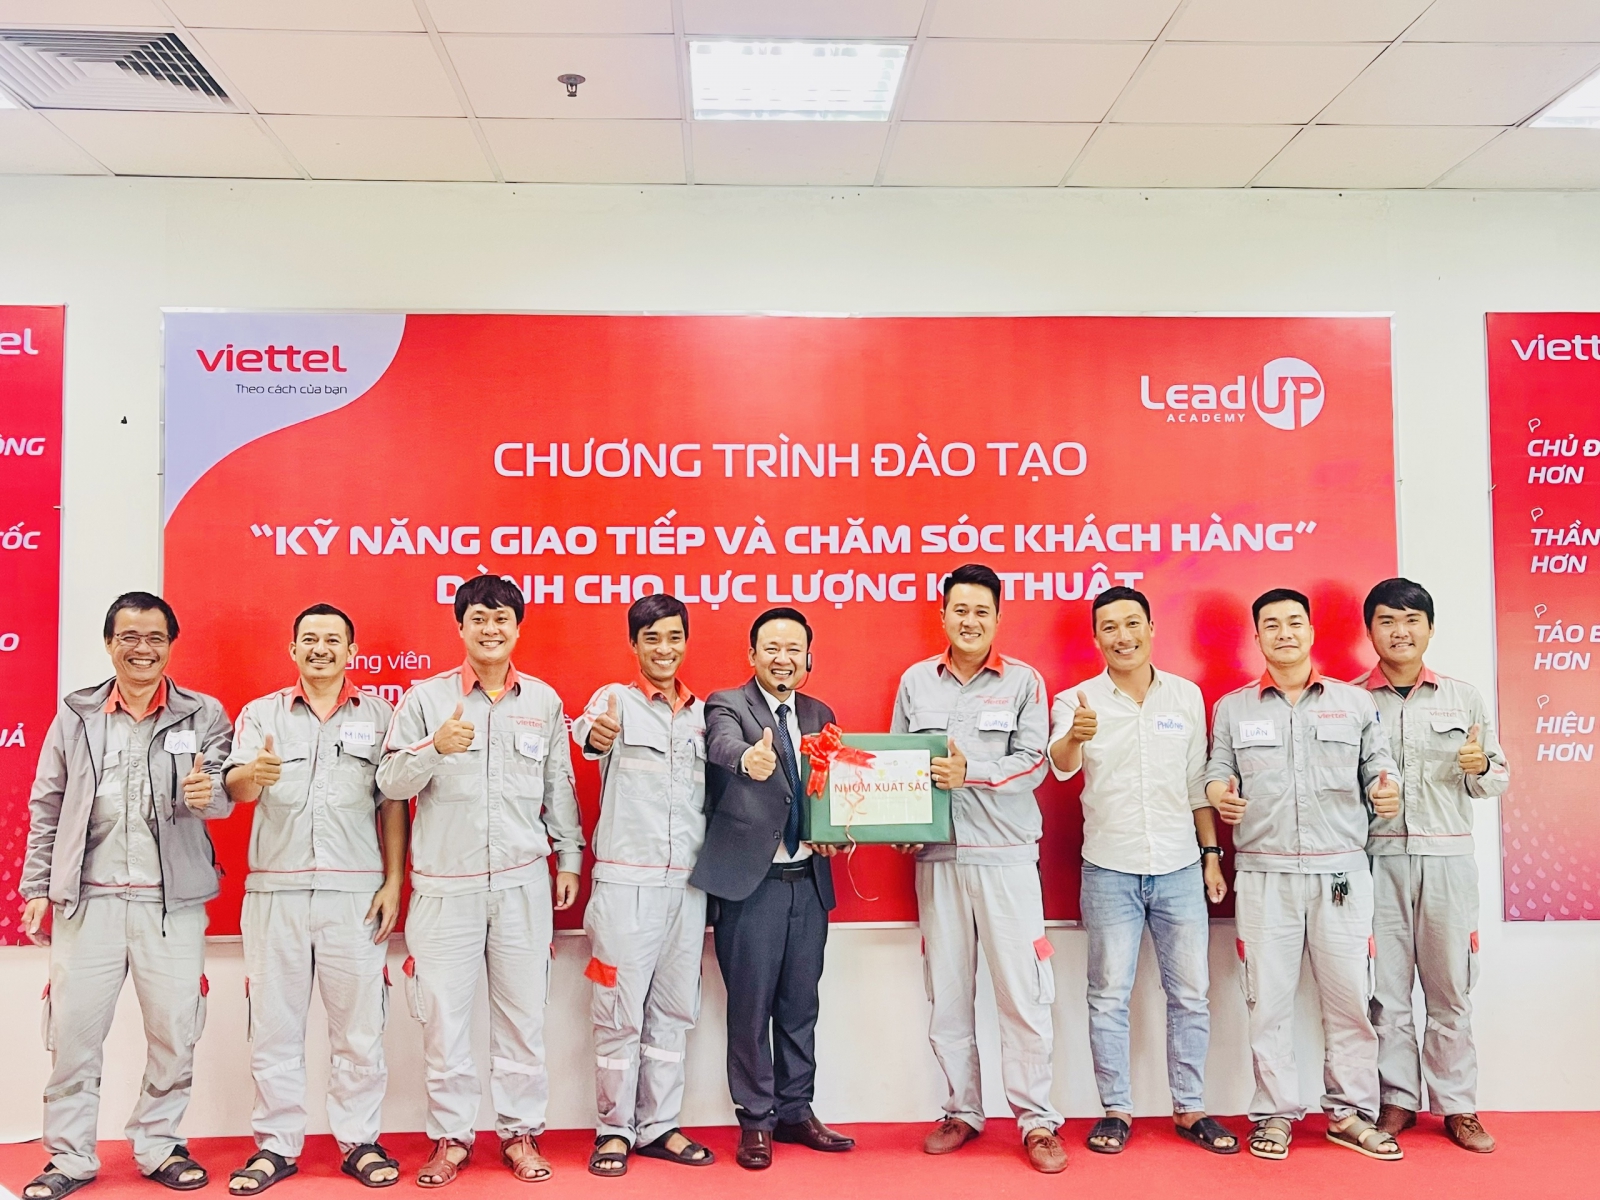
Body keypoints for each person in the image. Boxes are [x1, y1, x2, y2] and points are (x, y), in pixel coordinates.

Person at [19, 592, 233, 1199]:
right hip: (88, 903)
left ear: (171, 644)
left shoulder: (203, 713)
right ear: (110, 643)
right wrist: (38, 886)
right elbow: (47, 803)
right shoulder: (77, 714)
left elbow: (225, 791)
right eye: (130, 637)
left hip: (172, 905)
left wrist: (209, 795)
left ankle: (159, 1144)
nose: (143, 649)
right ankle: (69, 1155)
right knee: (73, 1035)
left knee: (174, 1032)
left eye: (155, 638)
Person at [376, 575, 583, 1187]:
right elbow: (389, 784)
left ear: (517, 628)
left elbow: (559, 786)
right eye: (478, 619)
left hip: (522, 884)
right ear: (460, 627)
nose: (490, 630)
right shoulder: (425, 700)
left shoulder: (543, 701)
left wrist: (570, 859)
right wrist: (433, 748)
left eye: (501, 619)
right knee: (444, 1020)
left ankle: (520, 1134)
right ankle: (451, 1138)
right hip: (445, 888)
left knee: (523, 1017)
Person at [1205, 588, 1402, 1163]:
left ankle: (1351, 1113)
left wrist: (1387, 790)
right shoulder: (1234, 708)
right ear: (1258, 637)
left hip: (1340, 875)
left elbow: (1379, 764)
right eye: (1271, 624)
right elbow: (1218, 768)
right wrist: (1219, 794)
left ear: (1312, 632)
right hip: (1264, 876)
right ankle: (1274, 1113)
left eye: (1294, 622)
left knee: (1349, 1000)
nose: (1284, 633)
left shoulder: (1354, 703)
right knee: (1266, 1002)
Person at [221, 604, 407, 1193]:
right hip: (275, 891)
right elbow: (234, 788)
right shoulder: (262, 713)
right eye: (309, 639)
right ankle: (275, 1145)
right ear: (293, 649)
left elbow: (393, 803)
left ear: (352, 651)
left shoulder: (380, 716)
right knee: (274, 1026)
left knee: (359, 1028)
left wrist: (394, 881)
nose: (320, 648)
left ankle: (359, 1141)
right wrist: (254, 773)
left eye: (332, 639)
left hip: (356, 894)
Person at [1047, 587, 1236, 1156]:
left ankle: (1190, 1107)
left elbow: (1196, 783)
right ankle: (1116, 1110)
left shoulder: (1185, 696)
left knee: (1192, 994)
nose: (1122, 636)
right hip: (1109, 867)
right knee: (1108, 995)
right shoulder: (1076, 701)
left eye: (1133, 623)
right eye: (1109, 627)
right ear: (1096, 637)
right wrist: (1075, 737)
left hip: (1180, 865)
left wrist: (1211, 856)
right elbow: (1060, 766)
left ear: (1152, 628)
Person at [891, 564, 1066, 1175]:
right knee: (947, 993)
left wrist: (973, 773)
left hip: (1005, 857)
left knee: (1023, 994)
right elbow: (897, 764)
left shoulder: (1023, 681)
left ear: (997, 618)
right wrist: (900, 824)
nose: (970, 621)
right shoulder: (916, 681)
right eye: (959, 610)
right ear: (943, 615)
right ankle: (961, 1111)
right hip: (938, 859)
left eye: (981, 612)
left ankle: (1037, 1119)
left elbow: (1036, 762)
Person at [692, 607, 855, 1171]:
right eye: (772, 648)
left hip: (809, 884)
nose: (783, 658)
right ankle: (756, 1120)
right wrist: (748, 758)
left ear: (808, 657)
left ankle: (795, 1110)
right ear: (753, 655)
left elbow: (830, 788)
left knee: (799, 1006)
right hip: (751, 886)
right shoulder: (727, 704)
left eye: (793, 649)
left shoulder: (820, 713)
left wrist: (835, 833)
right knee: (750, 1008)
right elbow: (721, 745)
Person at [1358, 578, 1507, 1154]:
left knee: (1451, 988)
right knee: (1386, 991)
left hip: (1447, 861)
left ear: (1429, 629)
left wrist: (1478, 765)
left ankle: (1457, 1105)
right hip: (1378, 862)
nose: (1400, 631)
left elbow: (1495, 778)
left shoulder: (1462, 697)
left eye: (1411, 620)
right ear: (1370, 630)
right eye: (1387, 620)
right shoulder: (1351, 700)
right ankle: (1397, 1100)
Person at [570, 595, 714, 1177]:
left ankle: (658, 1125)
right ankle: (613, 1129)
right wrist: (597, 735)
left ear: (686, 642)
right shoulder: (615, 701)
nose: (664, 648)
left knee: (674, 1012)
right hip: (624, 888)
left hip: (687, 889)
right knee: (617, 1013)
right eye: (651, 638)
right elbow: (588, 734)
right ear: (634, 645)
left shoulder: (705, 716)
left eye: (673, 636)